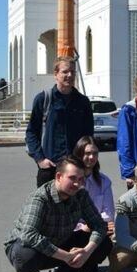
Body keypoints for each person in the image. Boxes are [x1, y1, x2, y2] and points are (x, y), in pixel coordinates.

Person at [4, 157, 113, 272]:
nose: (77, 184)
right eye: (72, 178)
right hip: (29, 247)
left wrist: (86, 251)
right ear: (59, 176)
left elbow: (99, 225)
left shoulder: (81, 195)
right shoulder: (39, 198)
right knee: (25, 255)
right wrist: (66, 256)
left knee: (103, 243)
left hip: (60, 241)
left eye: (81, 179)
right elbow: (29, 235)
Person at [25, 56, 94, 187]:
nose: (70, 75)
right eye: (65, 71)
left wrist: (87, 163)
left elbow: (88, 136)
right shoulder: (43, 99)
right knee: (47, 201)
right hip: (50, 168)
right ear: (55, 74)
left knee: (77, 201)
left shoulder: (83, 102)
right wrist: (40, 159)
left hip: (76, 168)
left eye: (72, 72)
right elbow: (31, 132)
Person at [72, 136, 115, 272]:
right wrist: (82, 226)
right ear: (78, 154)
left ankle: (90, 265)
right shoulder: (70, 181)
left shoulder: (104, 181)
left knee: (107, 241)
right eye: (87, 153)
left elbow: (108, 214)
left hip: (95, 228)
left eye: (95, 153)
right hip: (71, 229)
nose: (91, 157)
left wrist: (90, 225)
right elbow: (64, 214)